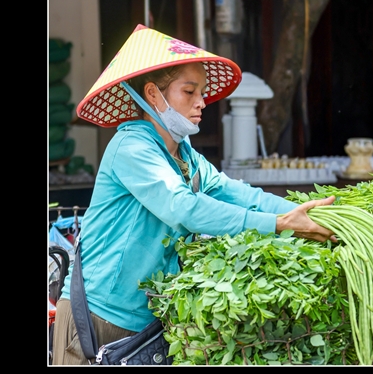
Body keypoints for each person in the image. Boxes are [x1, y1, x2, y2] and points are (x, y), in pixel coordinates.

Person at [51, 24, 337, 365]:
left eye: (201, 92)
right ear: (153, 95)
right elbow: (183, 207)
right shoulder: (131, 147)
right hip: (97, 318)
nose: (201, 102)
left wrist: (310, 212)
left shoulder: (185, 155)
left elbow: (238, 194)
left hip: (145, 323)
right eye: (189, 91)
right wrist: (279, 224)